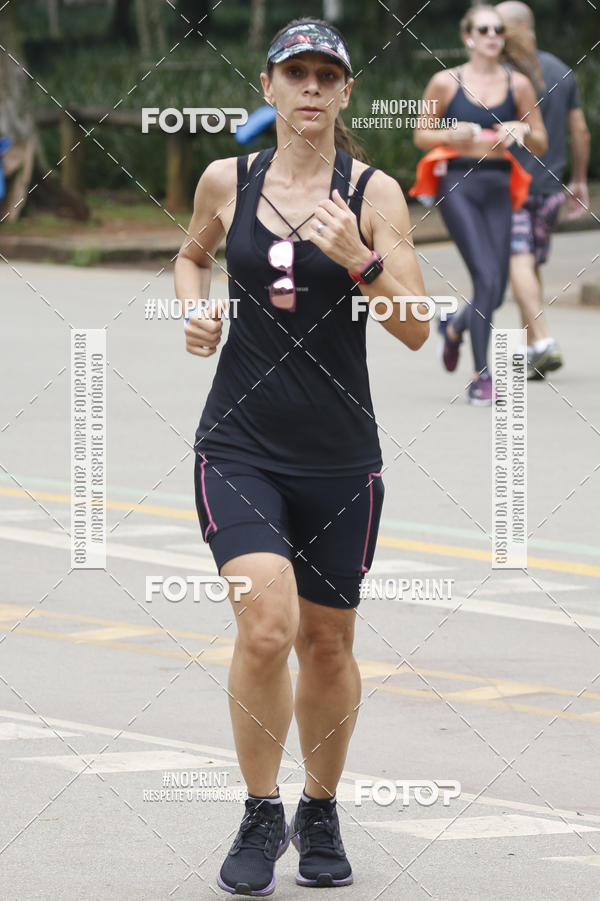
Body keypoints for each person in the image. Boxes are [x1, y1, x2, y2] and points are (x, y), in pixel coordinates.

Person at [174, 17, 429, 896]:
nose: (311, 87)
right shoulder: (228, 178)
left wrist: (359, 258)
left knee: (326, 643)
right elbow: (191, 255)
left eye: (327, 74)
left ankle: (319, 808)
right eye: (296, 73)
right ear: (269, 86)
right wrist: (194, 310)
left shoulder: (374, 191)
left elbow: (416, 327)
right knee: (267, 626)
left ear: (347, 91)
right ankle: (259, 810)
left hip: (340, 458)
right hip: (238, 443)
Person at [413, 3, 547, 405]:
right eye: (484, 30)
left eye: (498, 30)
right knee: (486, 277)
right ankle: (480, 376)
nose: (492, 36)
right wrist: (449, 134)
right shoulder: (444, 82)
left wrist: (522, 128)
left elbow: (541, 142)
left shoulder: (518, 85)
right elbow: (421, 135)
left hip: (499, 183)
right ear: (468, 37)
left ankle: (455, 326)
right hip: (458, 183)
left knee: (498, 287)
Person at [496, 0, 591, 380]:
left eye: (499, 27)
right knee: (528, 264)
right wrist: (578, 180)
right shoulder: (561, 70)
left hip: (513, 186)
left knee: (518, 259)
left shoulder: (501, 74)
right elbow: (580, 130)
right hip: (550, 189)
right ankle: (531, 349)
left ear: (519, 28)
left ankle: (545, 339)